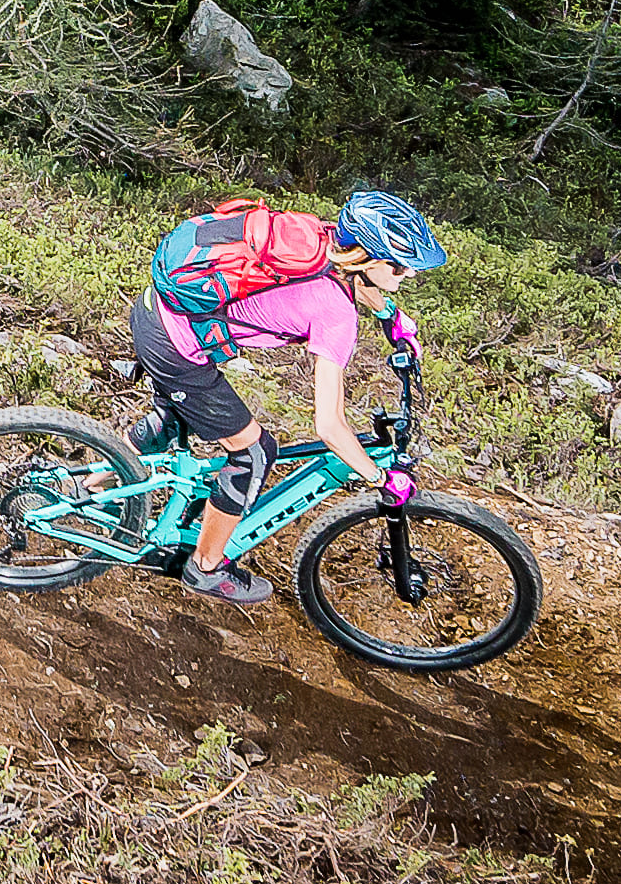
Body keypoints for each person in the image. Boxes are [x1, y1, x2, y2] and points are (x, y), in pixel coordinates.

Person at [131, 184, 445, 603]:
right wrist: (377, 477)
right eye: (401, 268)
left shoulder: (321, 239)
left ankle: (94, 482)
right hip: (176, 348)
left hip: (154, 310)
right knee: (255, 452)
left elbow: (351, 280)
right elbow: (329, 425)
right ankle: (204, 567)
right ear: (369, 258)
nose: (408, 276)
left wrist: (390, 315)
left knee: (173, 419)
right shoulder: (336, 315)